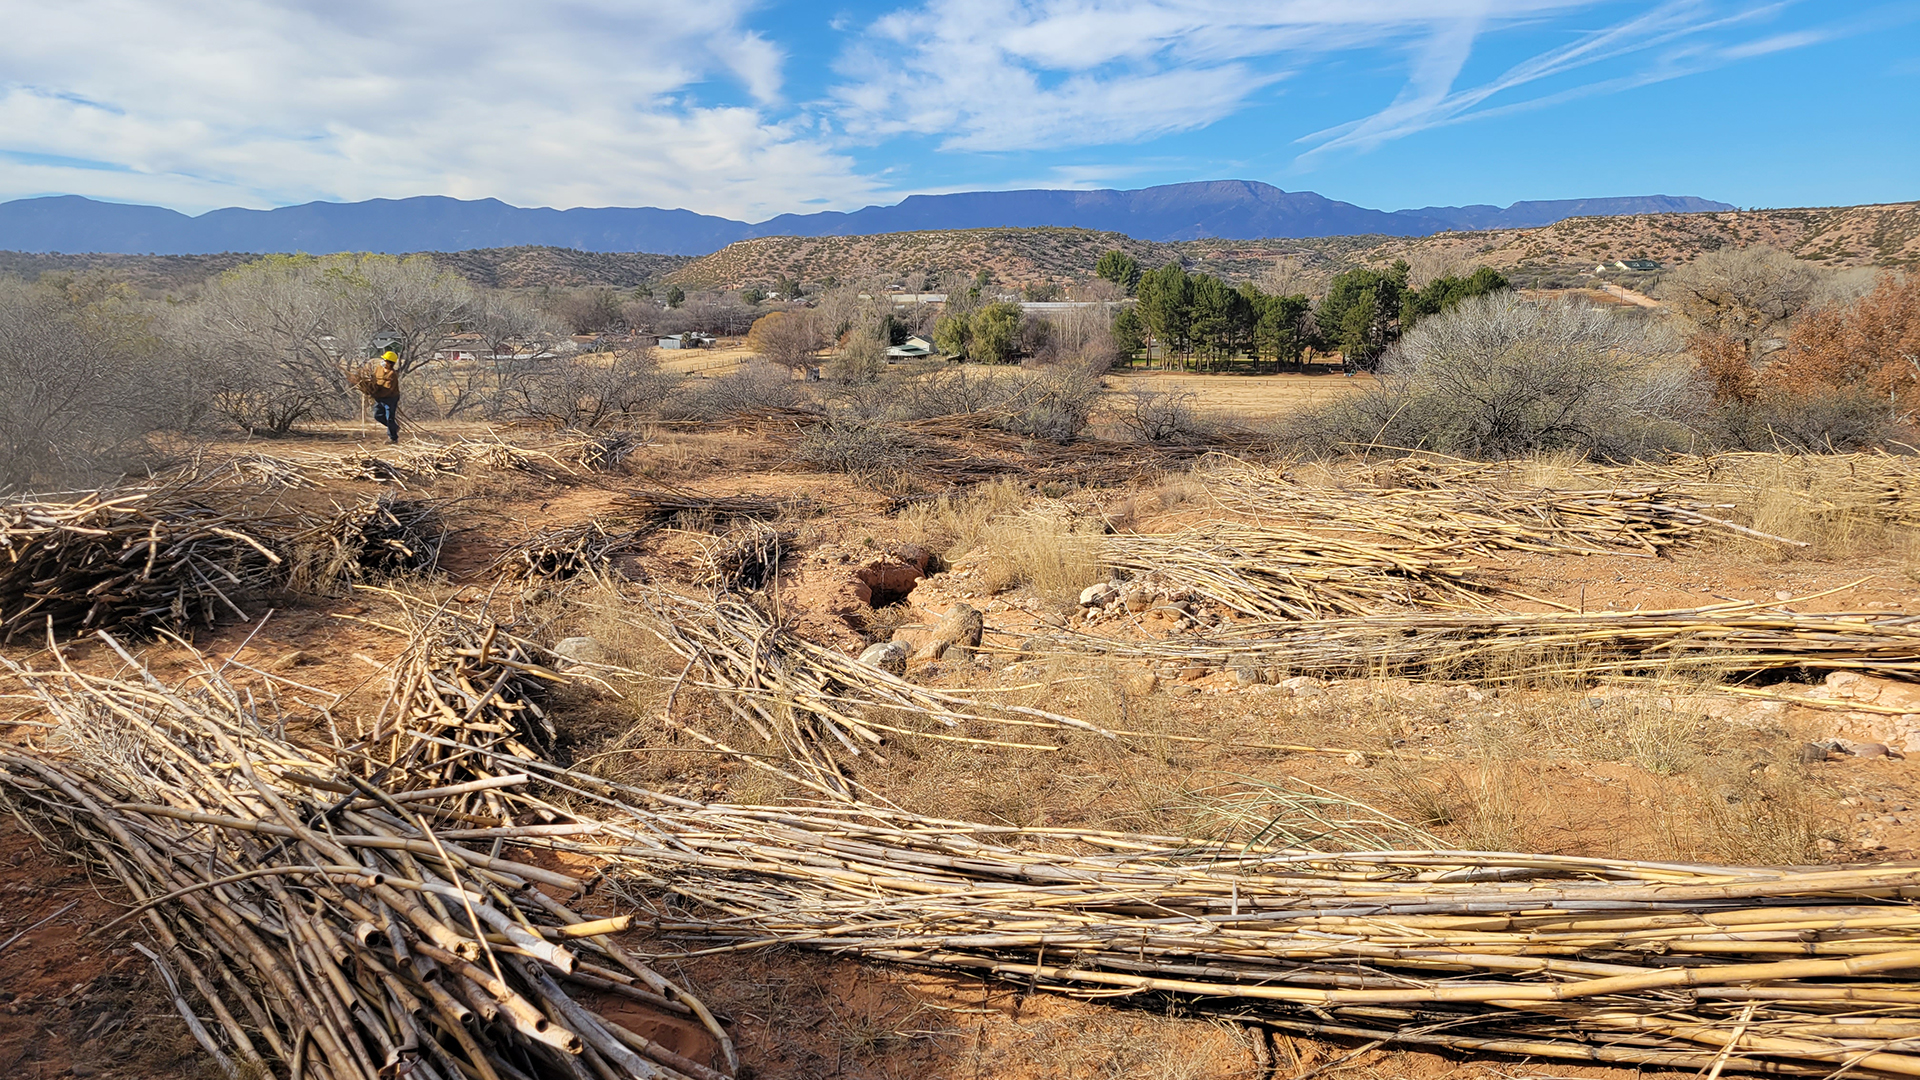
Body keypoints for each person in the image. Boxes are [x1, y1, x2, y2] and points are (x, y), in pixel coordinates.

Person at [357, 350, 403, 443]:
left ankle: (393, 438)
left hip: (390, 398)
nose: (382, 361)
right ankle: (394, 427)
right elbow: (374, 379)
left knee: (389, 417)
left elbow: (387, 389)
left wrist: (374, 393)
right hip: (379, 397)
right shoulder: (379, 368)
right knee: (377, 415)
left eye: (385, 360)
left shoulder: (392, 375)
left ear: (390, 363)